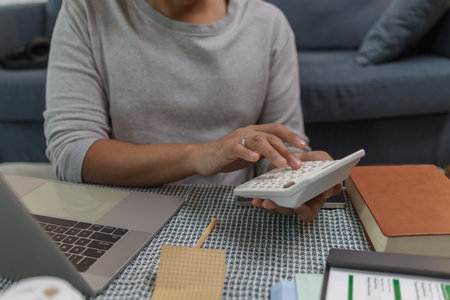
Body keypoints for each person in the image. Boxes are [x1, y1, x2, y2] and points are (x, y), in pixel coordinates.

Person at [44, 0, 341, 222]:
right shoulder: (87, 10)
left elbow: (282, 143)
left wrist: (292, 174)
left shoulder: (268, 23)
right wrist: (201, 155)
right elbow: (72, 152)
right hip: (124, 208)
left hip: (235, 214)